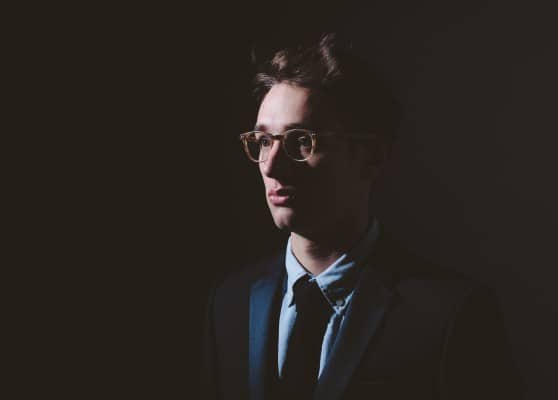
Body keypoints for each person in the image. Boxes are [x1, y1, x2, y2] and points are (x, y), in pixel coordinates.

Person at [202, 32, 523, 400]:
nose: (271, 166)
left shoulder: (451, 316)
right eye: (263, 141)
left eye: (301, 141)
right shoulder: (229, 304)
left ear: (371, 157)